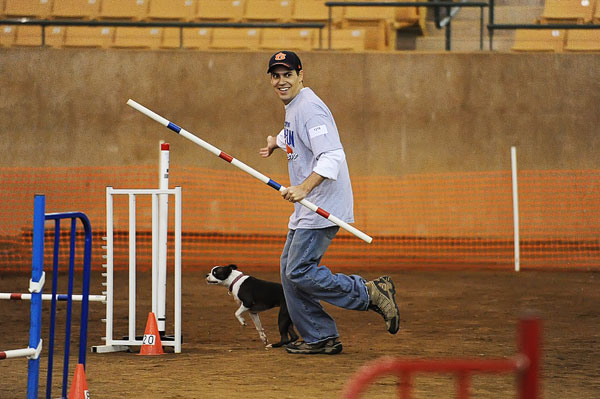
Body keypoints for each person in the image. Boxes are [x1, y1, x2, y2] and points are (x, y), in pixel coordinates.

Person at [259, 51, 400, 355]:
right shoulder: (295, 107)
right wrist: (278, 143)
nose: (281, 81)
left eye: (287, 74)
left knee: (298, 270)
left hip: (321, 204)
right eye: (276, 75)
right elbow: (299, 137)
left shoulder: (310, 108)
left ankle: (369, 292)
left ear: (300, 75)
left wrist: (303, 187)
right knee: (288, 270)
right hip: (307, 204)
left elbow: (332, 155)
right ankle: (320, 336)